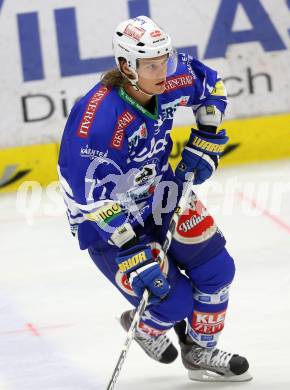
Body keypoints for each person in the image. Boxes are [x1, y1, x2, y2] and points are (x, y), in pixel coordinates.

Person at [58, 15, 251, 382]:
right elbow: (83, 194)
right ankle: (146, 327)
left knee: (217, 270)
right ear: (125, 66)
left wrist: (206, 138)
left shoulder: (170, 76)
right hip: (107, 223)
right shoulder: (98, 119)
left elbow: (211, 85)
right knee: (173, 301)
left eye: (164, 60)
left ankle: (200, 352)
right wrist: (129, 245)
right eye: (151, 65)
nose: (162, 71)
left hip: (162, 194)